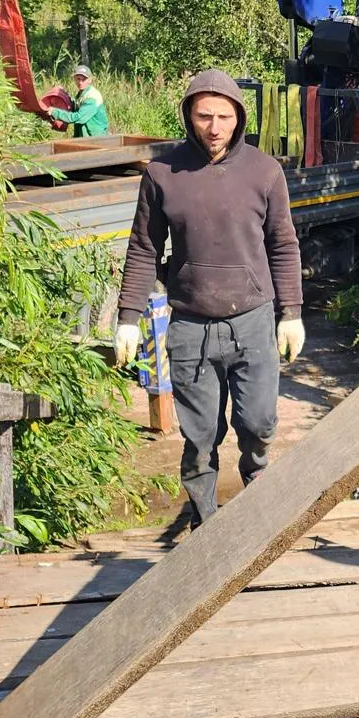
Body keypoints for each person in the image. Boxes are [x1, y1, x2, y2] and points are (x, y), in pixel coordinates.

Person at [113, 70, 307, 524]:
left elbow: (283, 244)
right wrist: (127, 318)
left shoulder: (264, 171)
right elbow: (143, 248)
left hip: (253, 321)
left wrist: (291, 312)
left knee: (258, 424)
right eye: (204, 116)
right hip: (191, 327)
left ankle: (259, 501)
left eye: (224, 116)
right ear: (189, 116)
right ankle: (206, 527)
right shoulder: (163, 174)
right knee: (200, 438)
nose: (215, 127)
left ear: (239, 118)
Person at [49, 66, 111, 137]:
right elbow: (74, 107)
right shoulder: (82, 93)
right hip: (84, 135)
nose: (80, 82)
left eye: (84, 79)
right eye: (78, 79)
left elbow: (79, 117)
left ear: (90, 80)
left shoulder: (92, 97)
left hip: (96, 137)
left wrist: (55, 112)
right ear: (74, 79)